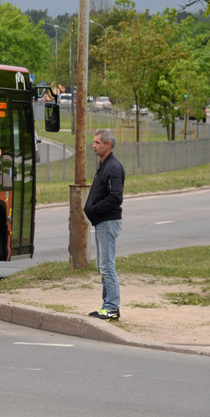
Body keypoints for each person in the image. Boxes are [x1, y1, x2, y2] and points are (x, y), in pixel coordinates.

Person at [84, 128, 124, 321]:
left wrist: (94, 209)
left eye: (98, 142)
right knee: (103, 267)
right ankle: (106, 306)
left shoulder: (113, 167)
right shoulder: (104, 165)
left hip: (108, 221)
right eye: (94, 142)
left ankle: (112, 307)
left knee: (108, 267)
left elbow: (115, 197)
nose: (93, 145)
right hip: (101, 222)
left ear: (108, 145)